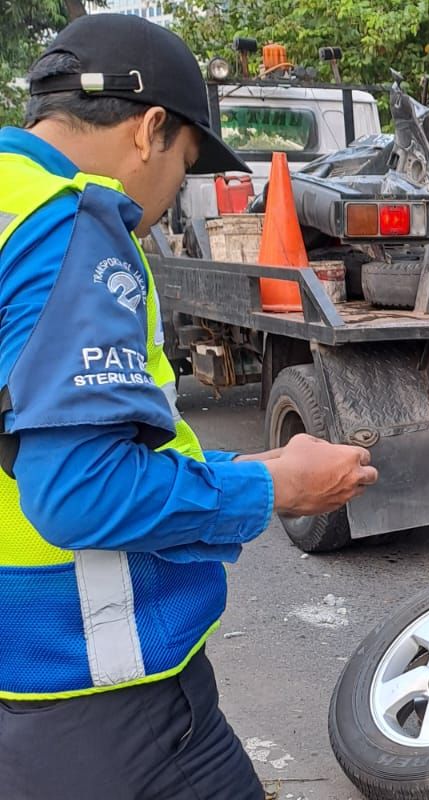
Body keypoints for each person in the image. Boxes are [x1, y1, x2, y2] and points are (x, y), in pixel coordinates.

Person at [0, 15, 378, 799]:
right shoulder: (71, 227)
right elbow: (81, 491)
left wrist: (243, 465)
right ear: (149, 131)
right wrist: (275, 487)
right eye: (186, 162)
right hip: (95, 693)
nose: (178, 191)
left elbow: (45, 436)